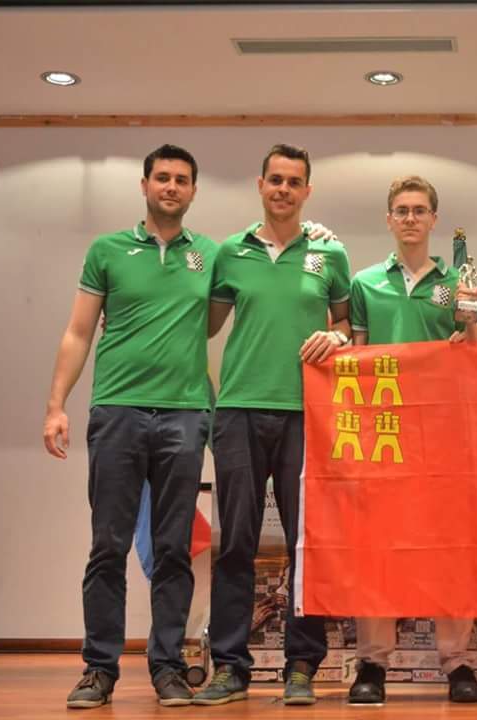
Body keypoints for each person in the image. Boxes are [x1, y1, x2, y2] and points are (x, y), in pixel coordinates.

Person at [44, 144, 216, 708]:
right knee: (108, 547)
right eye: (162, 177)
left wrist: (314, 235)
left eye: (182, 179)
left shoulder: (211, 255)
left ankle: (168, 668)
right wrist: (56, 404)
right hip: (117, 412)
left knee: (173, 550)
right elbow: (78, 332)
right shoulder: (107, 250)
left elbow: (260, 270)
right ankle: (99, 669)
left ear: (193, 191)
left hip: (185, 414)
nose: (171, 186)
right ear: (144, 185)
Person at [193, 143, 352, 706]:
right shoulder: (230, 252)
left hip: (306, 413)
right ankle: (230, 667)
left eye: (294, 181)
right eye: (275, 180)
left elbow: (348, 327)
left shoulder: (330, 253)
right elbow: (203, 326)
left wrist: (336, 335)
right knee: (236, 542)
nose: (283, 189)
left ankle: (301, 667)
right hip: (238, 410)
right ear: (260, 185)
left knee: (305, 542)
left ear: (307, 191)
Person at [346, 175, 477, 706]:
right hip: (384, 436)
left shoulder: (456, 283)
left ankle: (458, 661)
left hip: (443, 434)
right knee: (378, 550)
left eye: (419, 210)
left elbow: (474, 357)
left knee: (449, 549)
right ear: (389, 220)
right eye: (401, 210)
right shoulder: (365, 283)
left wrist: (469, 323)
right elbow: (358, 360)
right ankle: (372, 663)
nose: (410, 218)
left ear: (433, 220)